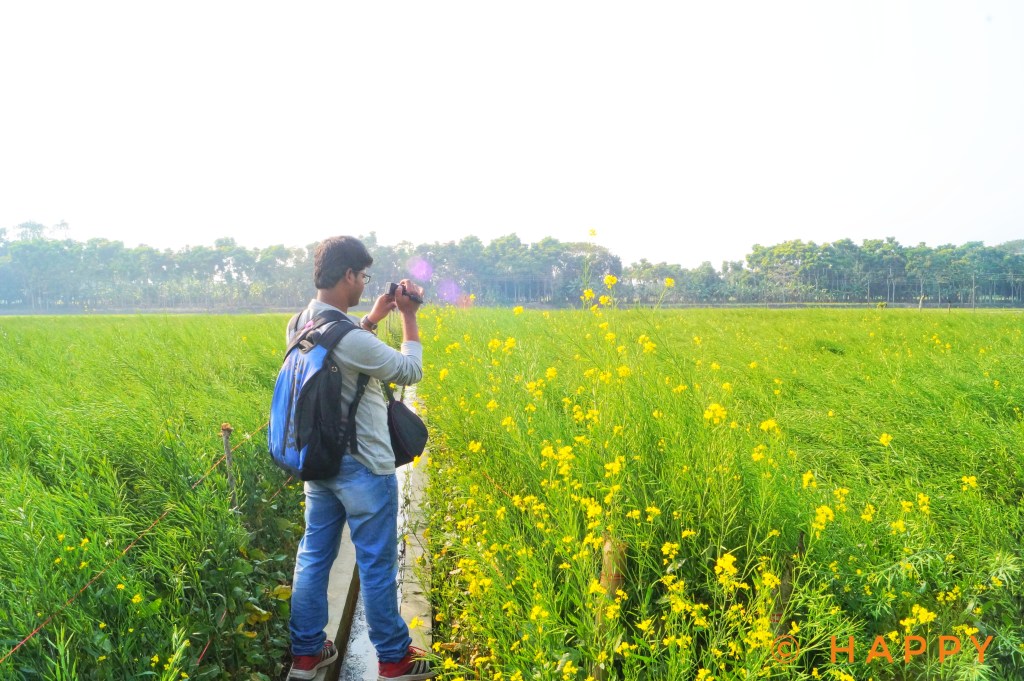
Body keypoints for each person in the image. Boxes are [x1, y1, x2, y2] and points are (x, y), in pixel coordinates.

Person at [286, 236, 435, 681]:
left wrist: (373, 318)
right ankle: (393, 657)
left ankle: (306, 654)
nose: (365, 283)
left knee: (314, 555)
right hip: (364, 466)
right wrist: (408, 316)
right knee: (376, 563)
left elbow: (342, 350)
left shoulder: (300, 322)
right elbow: (409, 371)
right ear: (349, 274)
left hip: (318, 461)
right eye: (363, 276)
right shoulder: (349, 336)